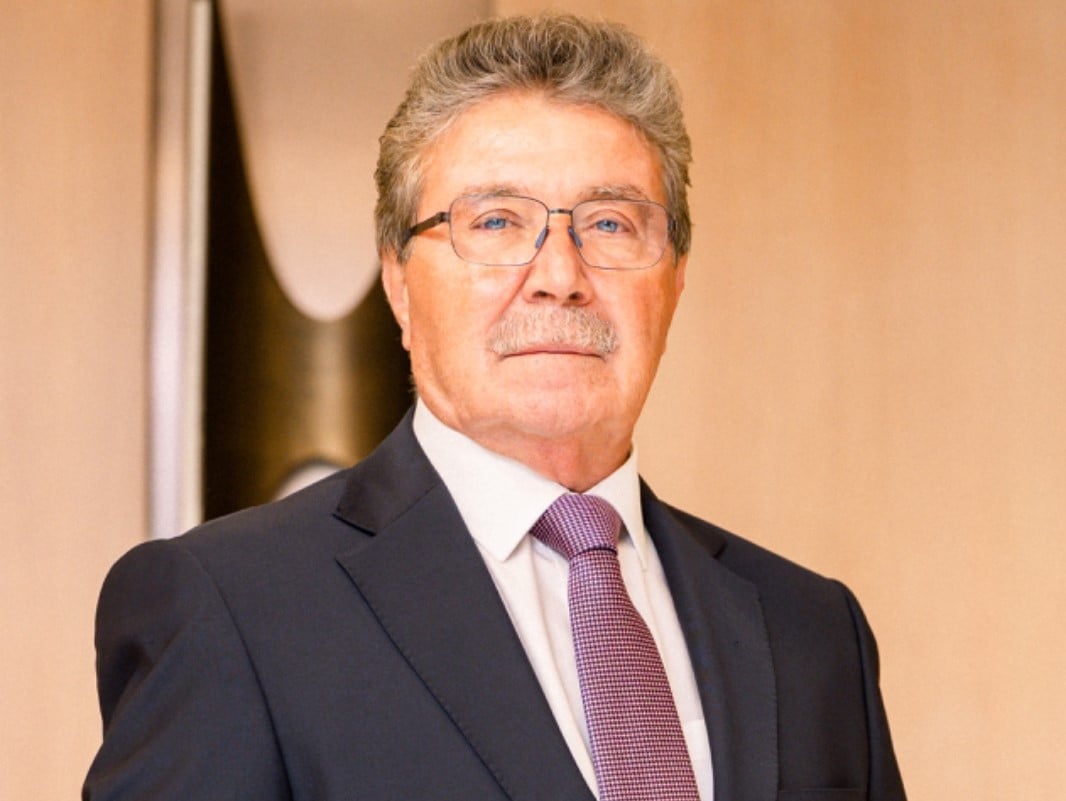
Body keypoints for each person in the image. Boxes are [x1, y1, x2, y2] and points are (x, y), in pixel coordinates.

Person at [84, 13, 906, 801]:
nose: (560, 276)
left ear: (675, 279)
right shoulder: (233, 608)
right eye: (497, 221)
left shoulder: (811, 629)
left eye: (610, 223)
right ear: (399, 281)